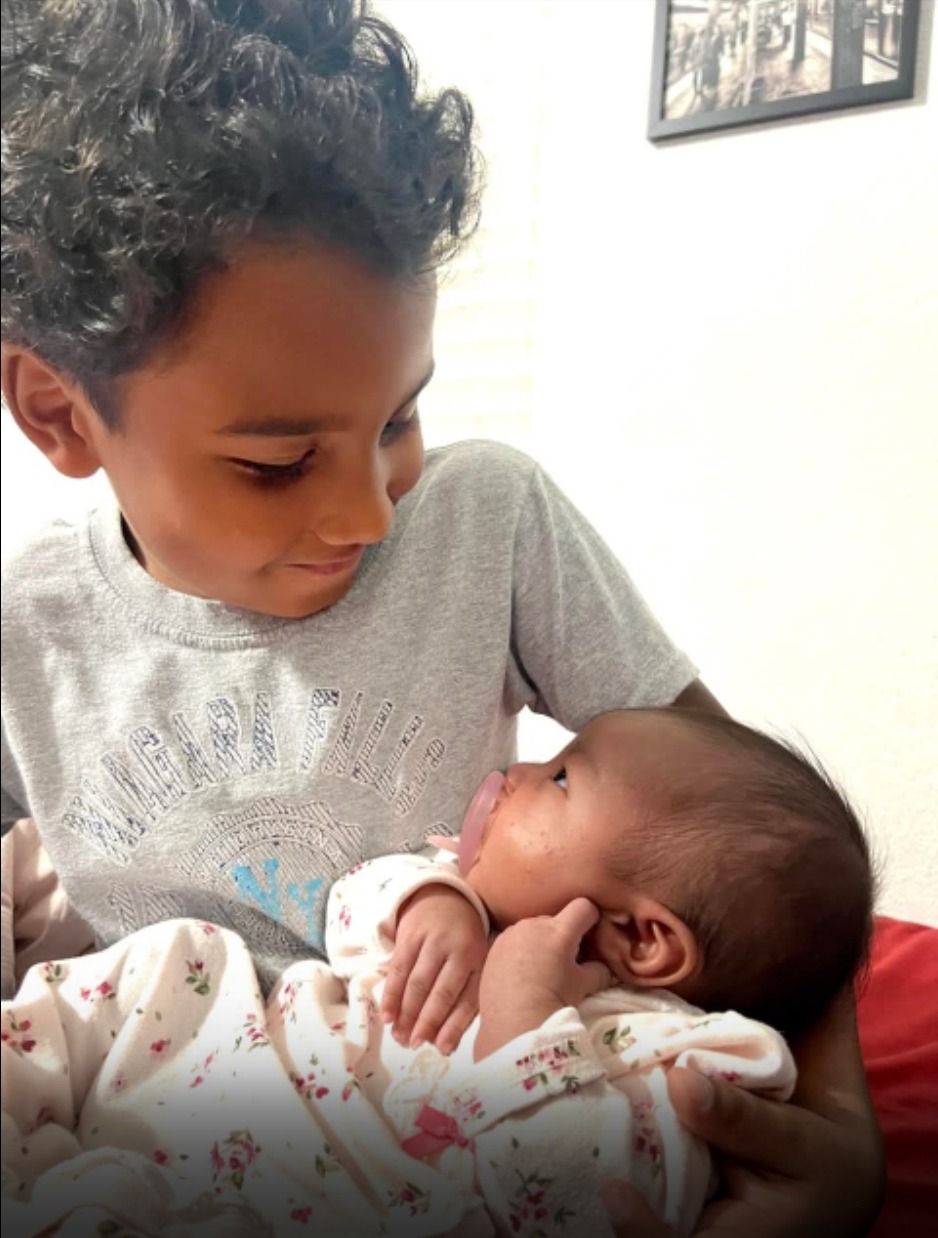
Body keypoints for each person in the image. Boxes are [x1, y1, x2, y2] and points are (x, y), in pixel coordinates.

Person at [0, 1, 884, 1233]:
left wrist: (840, 1131)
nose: (368, 510)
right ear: (59, 413)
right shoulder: (28, 631)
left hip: (427, 1132)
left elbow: (755, 850)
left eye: (398, 418)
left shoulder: (488, 520)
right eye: (277, 461)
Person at [2, 707, 872, 1236]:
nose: (518, 771)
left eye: (561, 778)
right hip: (216, 1060)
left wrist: (524, 1019)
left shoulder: (675, 1057)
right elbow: (348, 923)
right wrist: (427, 899)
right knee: (178, 961)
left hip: (296, 1190)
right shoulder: (468, 901)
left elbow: (574, 1206)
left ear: (644, 940)